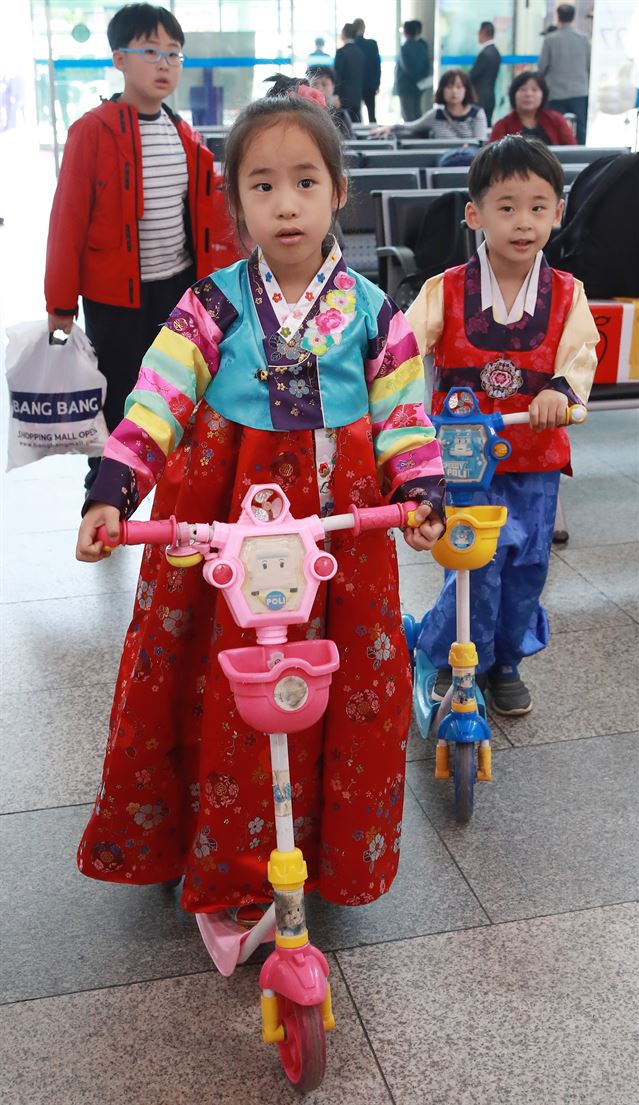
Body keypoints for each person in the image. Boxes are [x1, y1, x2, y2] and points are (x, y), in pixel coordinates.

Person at [74, 79, 446, 916]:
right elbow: (157, 400)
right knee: (225, 679)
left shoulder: (372, 312)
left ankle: (321, 852)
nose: (286, 204)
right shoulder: (211, 306)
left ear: (339, 193)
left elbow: (403, 413)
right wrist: (114, 491)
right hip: (228, 508)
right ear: (235, 201)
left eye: (306, 182)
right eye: (263, 185)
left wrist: (420, 486)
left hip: (339, 524)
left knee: (343, 679)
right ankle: (226, 854)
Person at [406, 136, 599, 715]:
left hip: (535, 460)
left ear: (558, 213)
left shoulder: (568, 295)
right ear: (475, 214)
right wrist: (399, 411)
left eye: (539, 207)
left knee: (526, 566)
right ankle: (452, 653)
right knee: (473, 563)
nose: (524, 222)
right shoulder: (444, 291)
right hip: (465, 462)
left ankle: (507, 660)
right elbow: (399, 351)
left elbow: (580, 356)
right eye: (507, 207)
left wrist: (561, 393)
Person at [45, 4, 238, 492]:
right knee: (117, 391)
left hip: (175, 286)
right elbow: (66, 222)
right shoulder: (93, 130)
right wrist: (60, 306)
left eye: (174, 54)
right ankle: (106, 485)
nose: (165, 64)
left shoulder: (183, 134)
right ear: (119, 59)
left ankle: (169, 474)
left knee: (174, 383)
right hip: (115, 296)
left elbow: (205, 218)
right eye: (150, 52)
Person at [376, 69, 486, 140]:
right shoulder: (435, 115)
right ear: (442, 90)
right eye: (449, 87)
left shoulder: (477, 114)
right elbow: (412, 126)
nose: (454, 91)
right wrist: (391, 127)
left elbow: (481, 147)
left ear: (466, 90)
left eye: (459, 87)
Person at [538, 3, 590, 144]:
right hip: (579, 90)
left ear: (558, 17)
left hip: (555, 91)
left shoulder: (550, 39)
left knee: (553, 126)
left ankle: (557, 156)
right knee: (581, 127)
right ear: (573, 17)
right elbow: (588, 64)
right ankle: (580, 156)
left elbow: (542, 67)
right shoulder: (583, 38)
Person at [489, 71, 576, 145]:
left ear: (543, 95)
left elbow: (573, 152)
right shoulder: (503, 125)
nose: (528, 94)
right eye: (523, 89)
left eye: (534, 90)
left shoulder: (556, 120)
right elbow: (490, 158)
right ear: (513, 95)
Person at [394, 20, 431, 122]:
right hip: (418, 86)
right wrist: (420, 79)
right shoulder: (422, 46)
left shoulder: (404, 47)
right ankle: (420, 136)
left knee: (407, 116)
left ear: (405, 32)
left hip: (406, 87)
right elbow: (427, 66)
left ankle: (412, 137)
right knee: (417, 113)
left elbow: (406, 68)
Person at [306, 64, 354, 137]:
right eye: (314, 84)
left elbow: (349, 140)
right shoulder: (304, 112)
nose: (319, 89)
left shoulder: (341, 114)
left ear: (333, 86)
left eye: (324, 84)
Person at [469, 20, 501, 125]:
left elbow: (473, 75)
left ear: (483, 32)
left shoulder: (485, 54)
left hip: (480, 97)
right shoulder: (496, 52)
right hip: (490, 96)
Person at [333, 22, 365, 123]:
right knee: (356, 122)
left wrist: (336, 94)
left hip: (344, 95)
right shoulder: (360, 52)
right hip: (357, 95)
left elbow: (338, 75)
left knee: (344, 125)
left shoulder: (341, 52)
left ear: (344, 33)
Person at [352, 18, 381, 124]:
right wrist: (377, 83)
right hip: (370, 85)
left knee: (356, 115)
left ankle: (358, 139)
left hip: (355, 86)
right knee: (372, 115)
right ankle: (375, 137)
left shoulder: (351, 46)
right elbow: (377, 66)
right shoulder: (372, 44)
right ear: (363, 28)